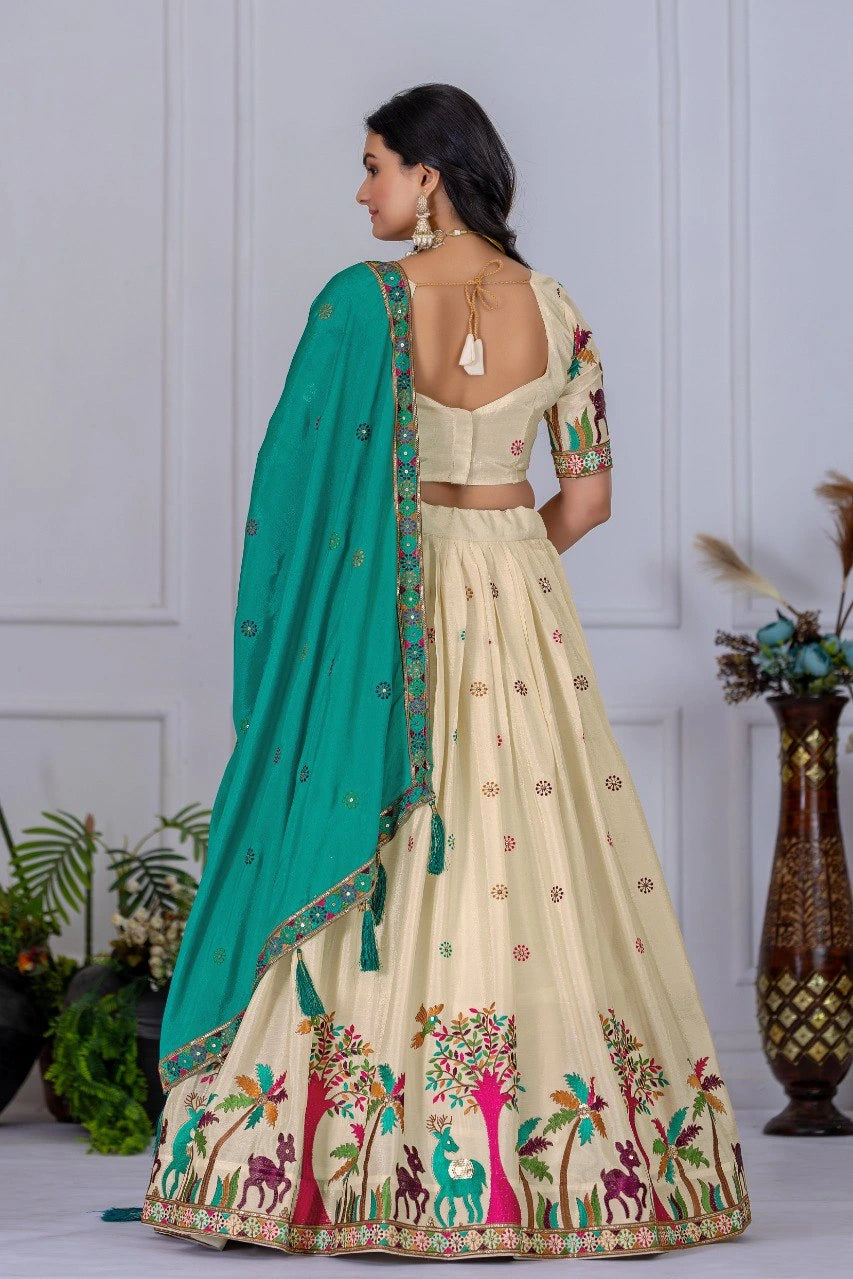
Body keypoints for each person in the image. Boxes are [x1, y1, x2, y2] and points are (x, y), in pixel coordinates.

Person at [133, 84, 752, 1259]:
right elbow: (590, 494)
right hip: (521, 595)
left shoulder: (360, 305)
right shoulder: (559, 309)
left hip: (392, 600)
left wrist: (398, 577)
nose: (361, 190)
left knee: (396, 842)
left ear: (430, 176)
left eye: (373, 165)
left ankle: (340, 1164)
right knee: (531, 851)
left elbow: (290, 496)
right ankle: (571, 1172)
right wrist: (505, 564)